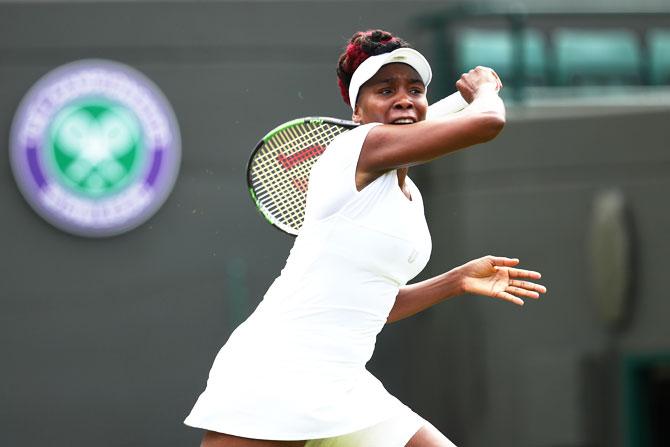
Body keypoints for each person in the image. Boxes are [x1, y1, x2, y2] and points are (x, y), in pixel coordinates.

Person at [185, 29, 547, 447]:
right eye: (385, 89)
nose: (403, 98)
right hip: (278, 370)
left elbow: (372, 305)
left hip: (345, 382)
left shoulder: (409, 198)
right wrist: (485, 88)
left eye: (415, 89)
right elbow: (487, 122)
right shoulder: (356, 146)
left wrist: (455, 281)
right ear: (357, 112)